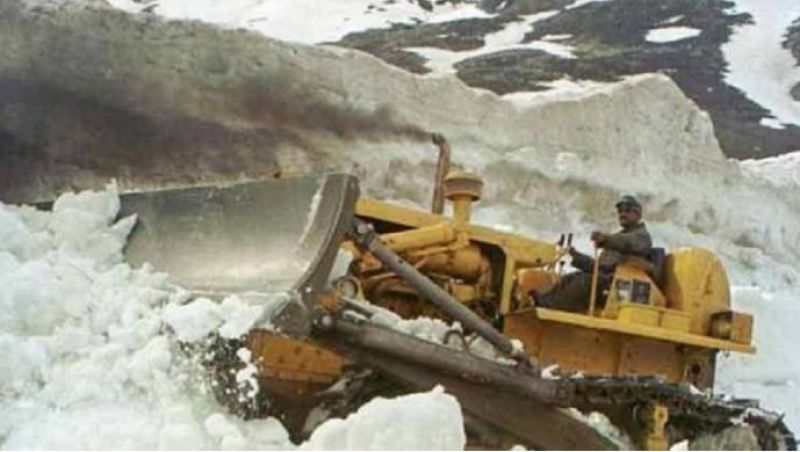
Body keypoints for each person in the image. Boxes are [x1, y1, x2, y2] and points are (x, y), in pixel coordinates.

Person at [531, 195, 652, 313]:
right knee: (571, 277)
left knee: (584, 281)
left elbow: (628, 242)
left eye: (627, 210)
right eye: (620, 210)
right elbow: (598, 267)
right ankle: (541, 301)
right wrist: (576, 255)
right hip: (606, 283)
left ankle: (547, 306)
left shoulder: (641, 237)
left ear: (637, 214)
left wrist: (606, 239)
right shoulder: (616, 239)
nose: (622, 214)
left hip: (619, 288)